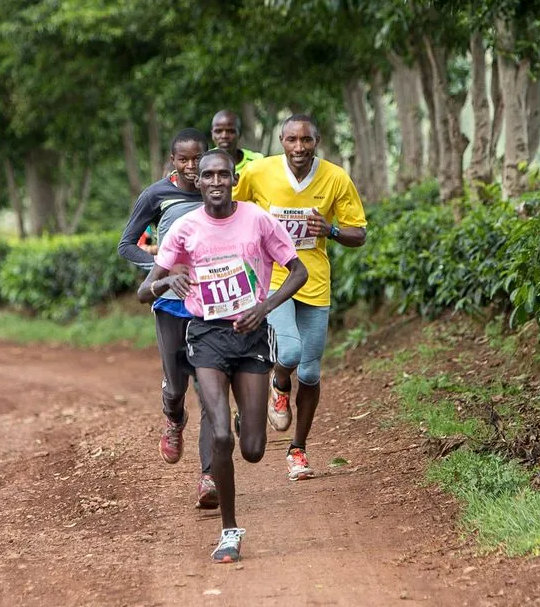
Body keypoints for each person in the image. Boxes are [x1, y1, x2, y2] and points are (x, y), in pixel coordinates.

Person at [137, 149, 308, 563]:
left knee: (251, 448)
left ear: (234, 179)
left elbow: (298, 271)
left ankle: (244, 416)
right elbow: (144, 291)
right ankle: (229, 532)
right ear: (199, 183)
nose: (215, 181)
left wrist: (264, 308)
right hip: (207, 336)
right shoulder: (184, 228)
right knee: (219, 436)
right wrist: (168, 281)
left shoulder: (257, 219)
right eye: (208, 175)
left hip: (250, 337)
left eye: (223, 175)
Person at [234, 114, 367, 481]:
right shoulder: (259, 173)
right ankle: (278, 386)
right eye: (291, 139)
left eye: (306, 140)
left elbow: (360, 234)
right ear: (281, 140)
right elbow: (229, 208)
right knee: (289, 353)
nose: (298, 147)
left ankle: (298, 450)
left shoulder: (336, 177)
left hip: (315, 281)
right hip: (273, 278)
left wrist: (332, 229)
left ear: (317, 141)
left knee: (309, 372)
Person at [118, 129, 219, 509]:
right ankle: (173, 418)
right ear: (173, 160)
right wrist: (162, 267)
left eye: (198, 159)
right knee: (177, 385)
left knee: (212, 393)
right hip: (170, 303)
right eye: (184, 160)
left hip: (212, 303)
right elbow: (126, 244)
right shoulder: (157, 194)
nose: (193, 167)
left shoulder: (218, 188)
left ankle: (209, 476)